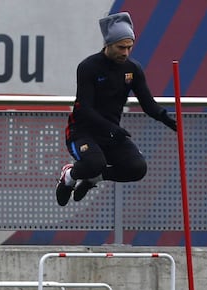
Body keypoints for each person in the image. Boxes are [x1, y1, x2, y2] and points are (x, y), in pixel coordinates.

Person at [56, 12, 176, 206]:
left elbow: (148, 103)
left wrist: (166, 118)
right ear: (108, 44)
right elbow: (85, 109)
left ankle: (94, 179)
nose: (126, 53)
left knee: (137, 168)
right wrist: (113, 129)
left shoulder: (132, 69)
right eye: (121, 47)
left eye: (129, 47)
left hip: (111, 133)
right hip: (82, 132)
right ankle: (69, 176)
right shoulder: (88, 67)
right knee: (94, 163)